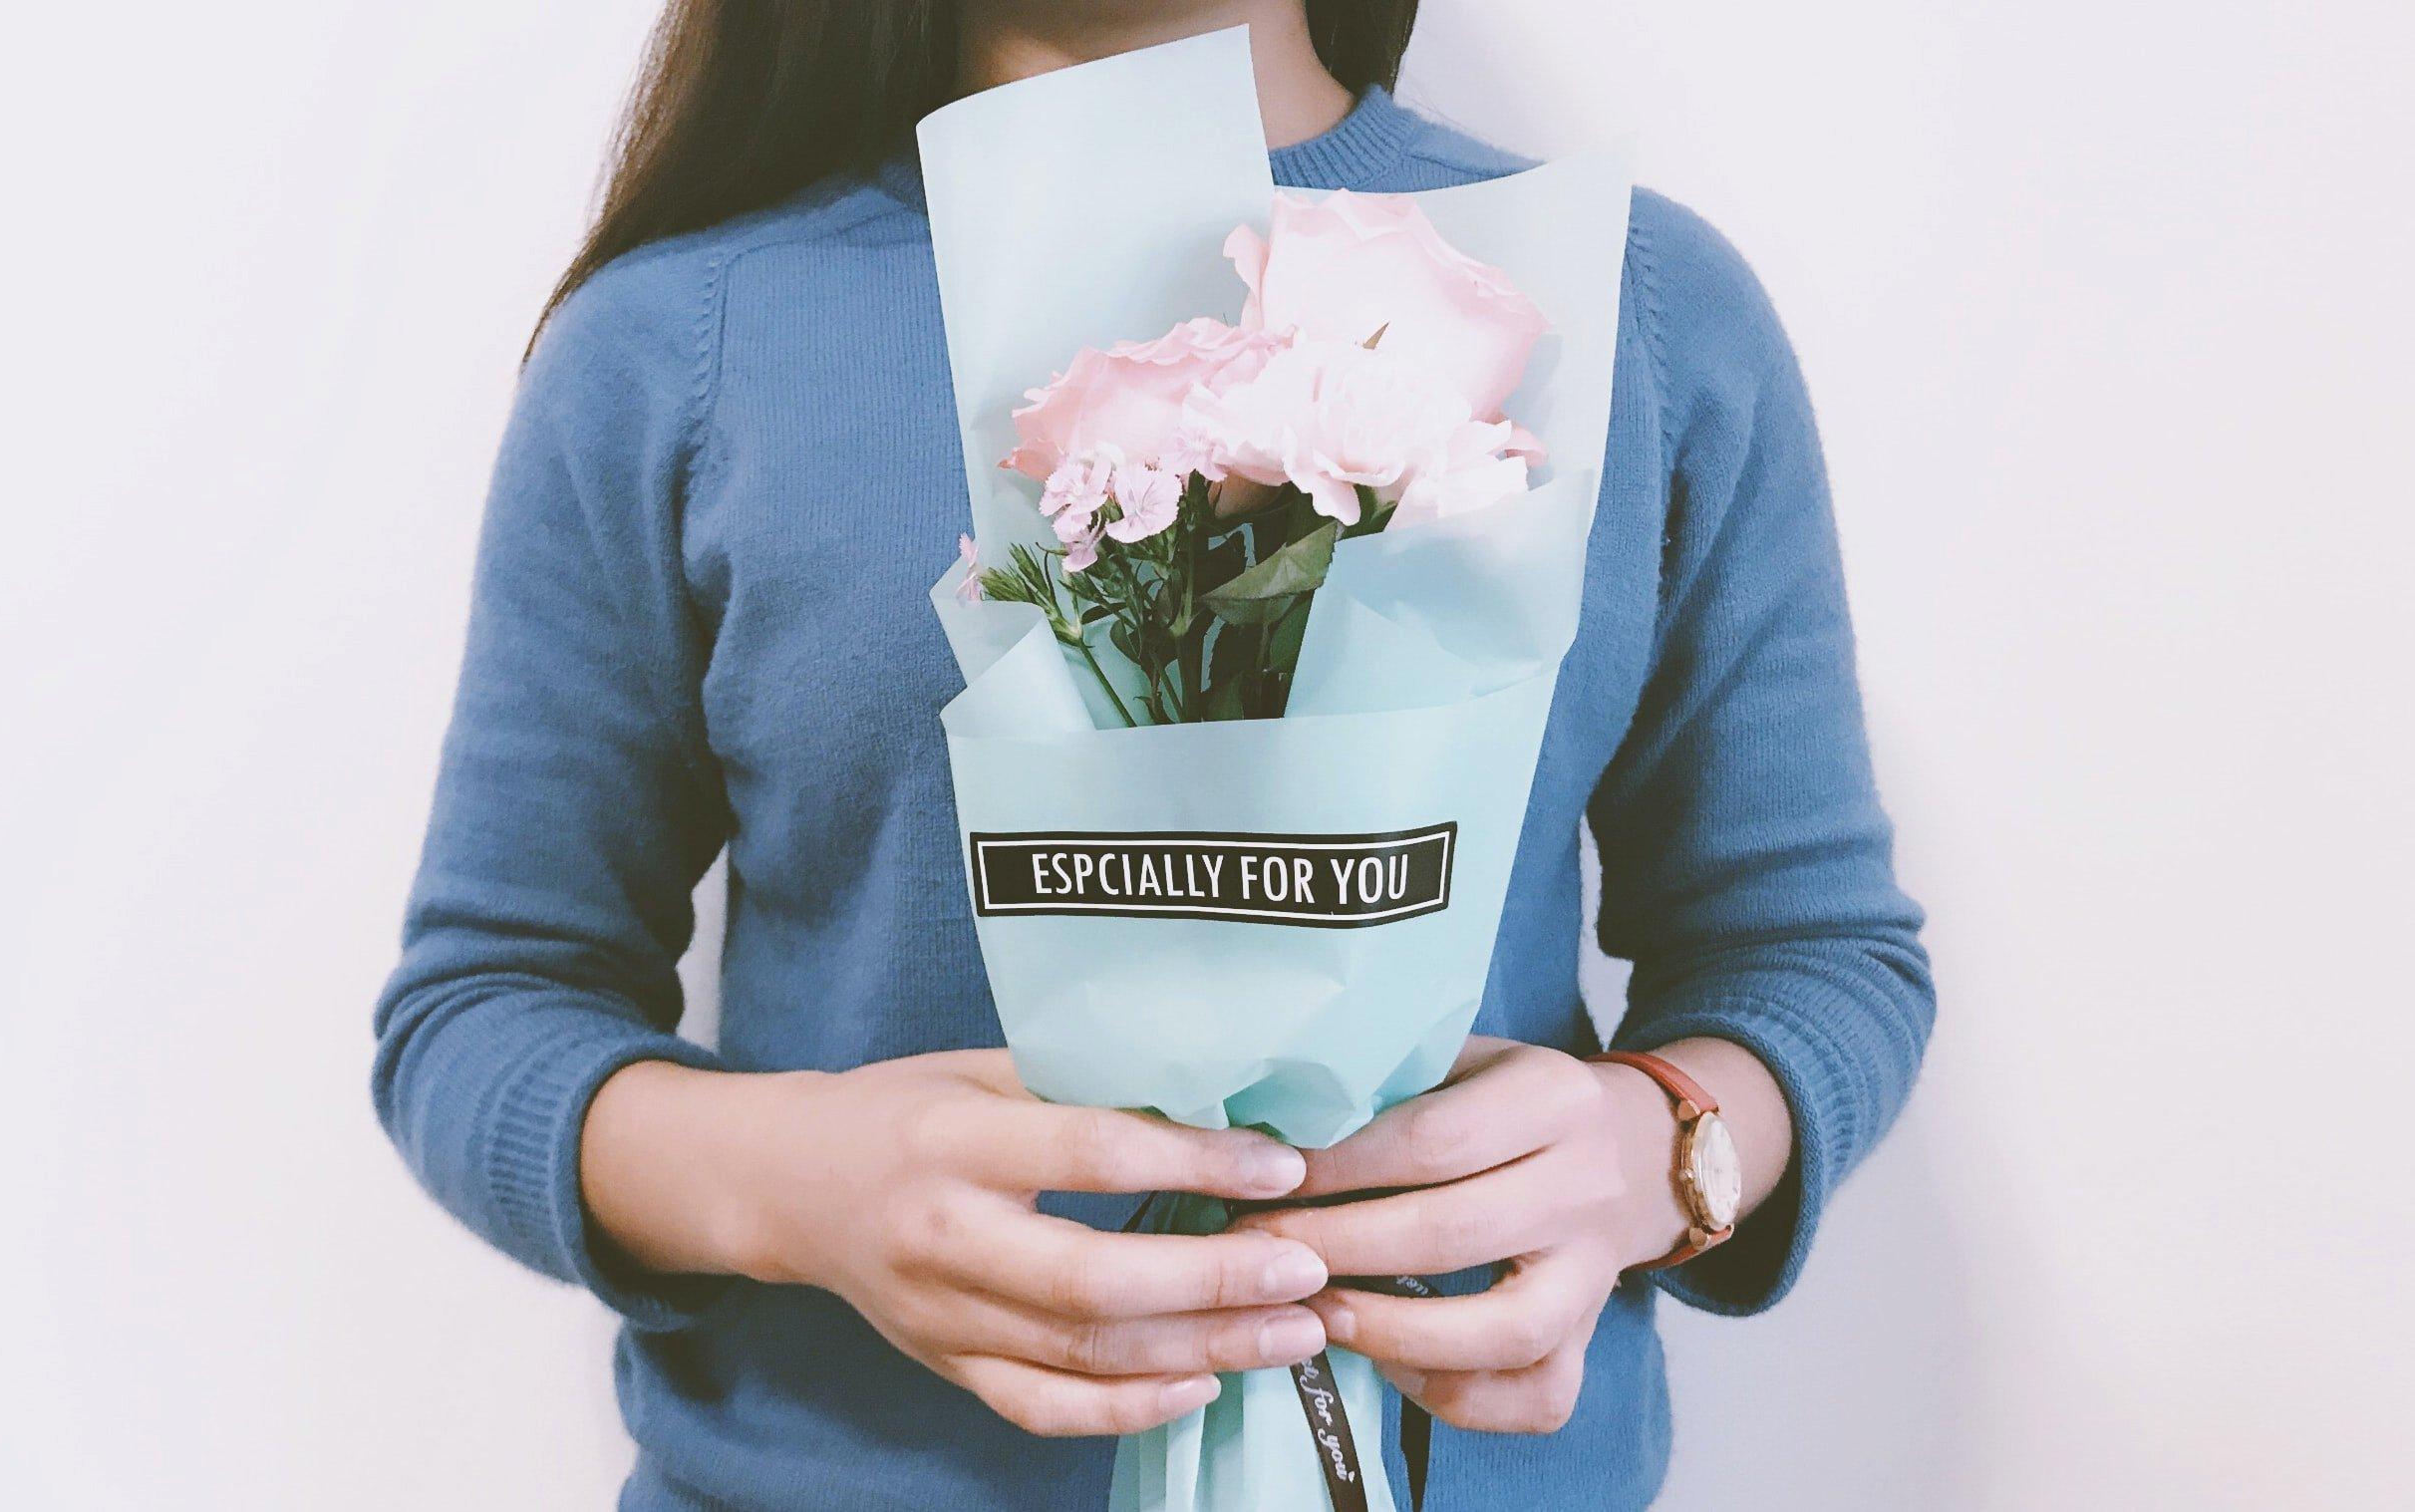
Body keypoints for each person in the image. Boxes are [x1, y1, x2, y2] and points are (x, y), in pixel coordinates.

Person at [371, 1, 1935, 1506]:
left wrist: (1662, 1147)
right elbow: (485, 1004)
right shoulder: (678, 345)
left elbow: (1804, 952)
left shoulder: (1632, 307)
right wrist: (799, 1185)